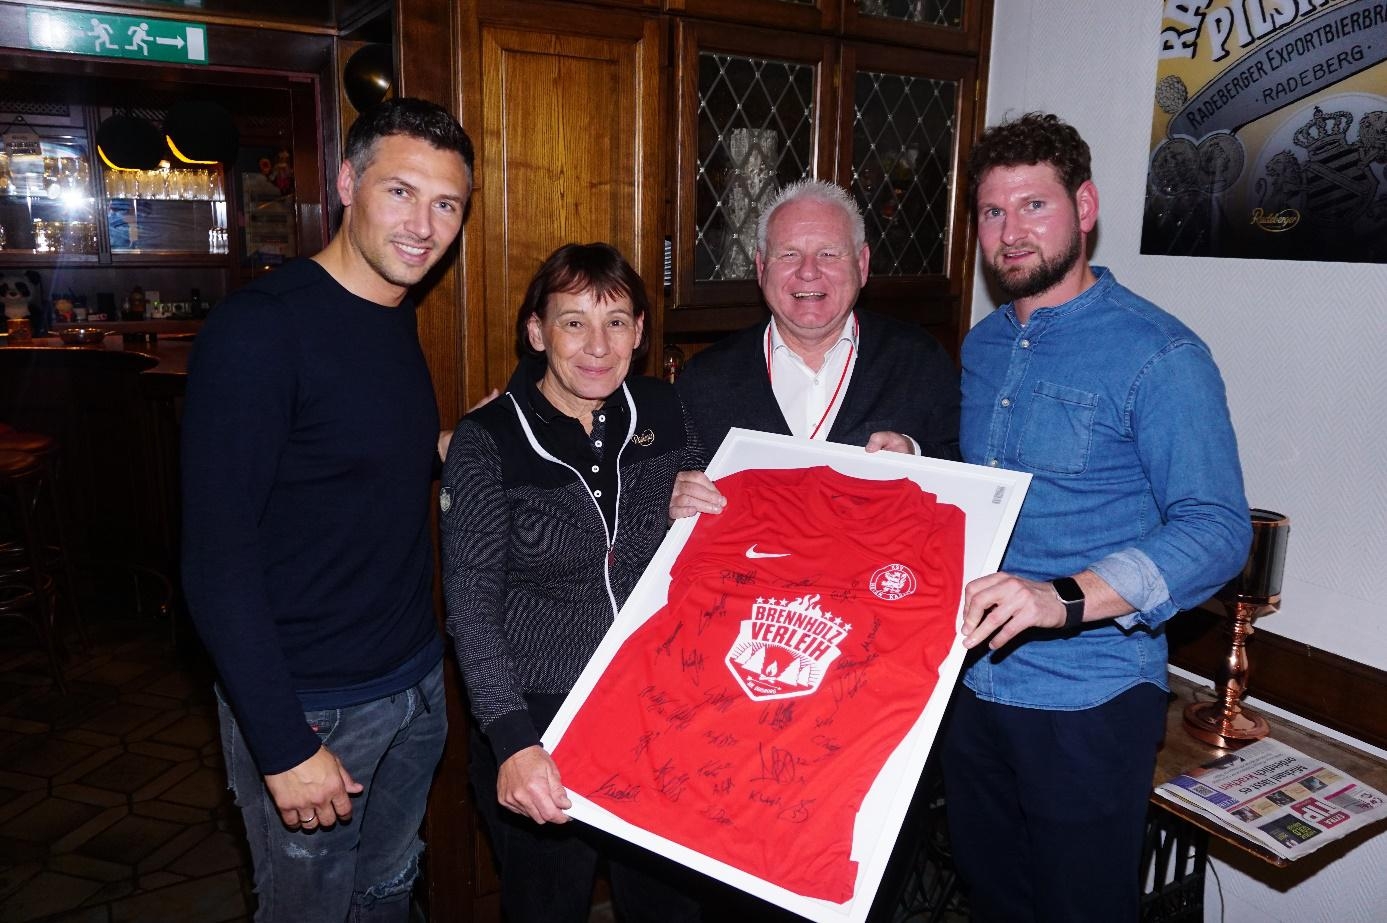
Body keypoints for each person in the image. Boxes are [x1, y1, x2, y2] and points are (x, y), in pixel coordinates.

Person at [942, 112, 1252, 921]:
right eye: (991, 211)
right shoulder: (980, 346)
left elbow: (1217, 528)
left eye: (1032, 206)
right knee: (991, 898)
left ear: (1084, 207)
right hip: (970, 686)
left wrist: (1063, 597)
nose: (1009, 232)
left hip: (1089, 702)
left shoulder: (1160, 354)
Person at [181, 97, 474, 921]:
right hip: (313, 707)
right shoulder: (260, 330)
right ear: (347, 183)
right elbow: (214, 558)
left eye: (446, 204)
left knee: (387, 891)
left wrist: (463, 445)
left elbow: (345, 455)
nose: (423, 225)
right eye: (400, 192)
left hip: (414, 680)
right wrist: (282, 745)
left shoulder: (394, 312)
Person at [440, 243, 705, 923]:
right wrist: (513, 741)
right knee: (546, 906)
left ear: (639, 332)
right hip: (542, 715)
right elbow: (470, 606)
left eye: (615, 322)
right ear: (537, 332)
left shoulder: (663, 409)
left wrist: (689, 501)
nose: (597, 345)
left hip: (655, 708)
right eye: (573, 322)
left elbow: (704, 534)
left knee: (668, 907)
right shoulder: (488, 439)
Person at [669, 178, 959, 517]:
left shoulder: (919, 361)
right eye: (789, 254)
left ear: (862, 265)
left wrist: (918, 457)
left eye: (828, 254)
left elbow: (969, 468)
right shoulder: (704, 379)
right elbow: (666, 485)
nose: (808, 272)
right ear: (761, 268)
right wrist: (671, 501)